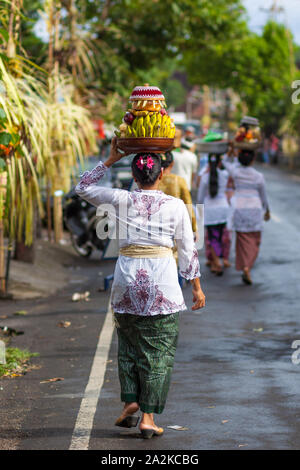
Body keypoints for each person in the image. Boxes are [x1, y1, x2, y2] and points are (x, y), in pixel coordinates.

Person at [75, 138, 205, 439]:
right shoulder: (175, 206)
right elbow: (188, 251)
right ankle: (147, 417)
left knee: (129, 348)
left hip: (126, 284)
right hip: (162, 285)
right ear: (162, 174)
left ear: (134, 176)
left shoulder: (120, 199)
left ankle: (130, 400)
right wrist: (197, 288)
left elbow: (82, 187)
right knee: (158, 352)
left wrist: (108, 160)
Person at [224, 149, 270, 285]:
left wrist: (231, 151)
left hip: (239, 208)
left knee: (242, 241)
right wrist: (267, 209)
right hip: (255, 209)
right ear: (253, 159)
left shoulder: (235, 172)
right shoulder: (258, 176)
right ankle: (247, 266)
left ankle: (244, 267)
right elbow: (264, 195)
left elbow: (225, 162)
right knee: (255, 241)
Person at [197, 154, 231, 275]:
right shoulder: (224, 175)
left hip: (210, 211)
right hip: (223, 209)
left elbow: (200, 197)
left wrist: (199, 211)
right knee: (220, 235)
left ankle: (217, 262)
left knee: (212, 238)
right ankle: (218, 261)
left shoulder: (205, 177)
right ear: (219, 163)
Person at [159, 151, 197, 235]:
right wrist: (194, 228)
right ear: (172, 164)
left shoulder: (154, 180)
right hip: (175, 226)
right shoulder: (179, 180)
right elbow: (188, 204)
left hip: (156, 225)